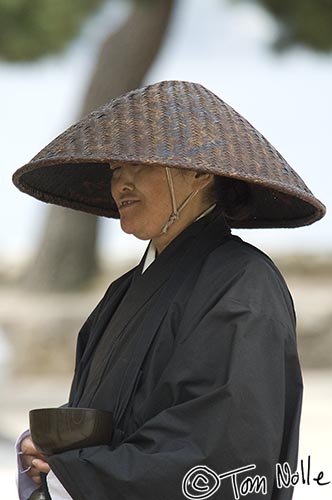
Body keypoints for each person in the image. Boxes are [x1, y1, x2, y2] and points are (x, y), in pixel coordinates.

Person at [13, 80, 325, 500]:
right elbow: (109, 417)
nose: (120, 184)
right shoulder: (123, 292)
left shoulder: (245, 284)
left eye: (137, 165)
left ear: (198, 171)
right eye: (114, 170)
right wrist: (49, 453)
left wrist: (72, 476)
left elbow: (221, 454)